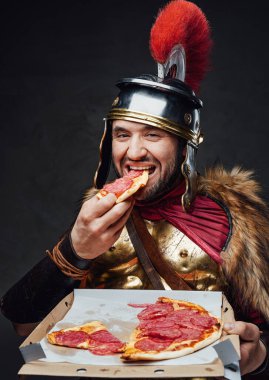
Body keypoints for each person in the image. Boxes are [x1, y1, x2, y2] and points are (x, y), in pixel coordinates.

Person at [1, 0, 269, 377]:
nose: (133, 151)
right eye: (122, 134)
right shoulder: (98, 216)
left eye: (153, 135)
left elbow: (259, 336)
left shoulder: (231, 219)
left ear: (183, 148)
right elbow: (23, 326)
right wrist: (75, 249)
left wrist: (257, 356)